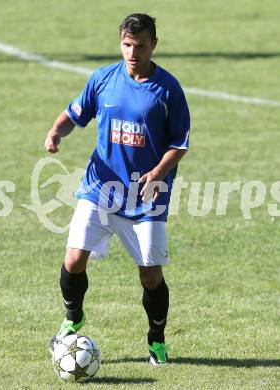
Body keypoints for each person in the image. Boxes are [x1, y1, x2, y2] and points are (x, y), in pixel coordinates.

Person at [45, 13, 190, 365]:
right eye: (127, 44)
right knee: (74, 258)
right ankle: (72, 317)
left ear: (153, 44)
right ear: (120, 43)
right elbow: (74, 114)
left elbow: (180, 142)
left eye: (140, 45)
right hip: (99, 188)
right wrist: (55, 132)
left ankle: (156, 339)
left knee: (150, 275)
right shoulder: (103, 79)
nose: (132, 52)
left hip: (145, 198)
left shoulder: (168, 89)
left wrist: (157, 172)